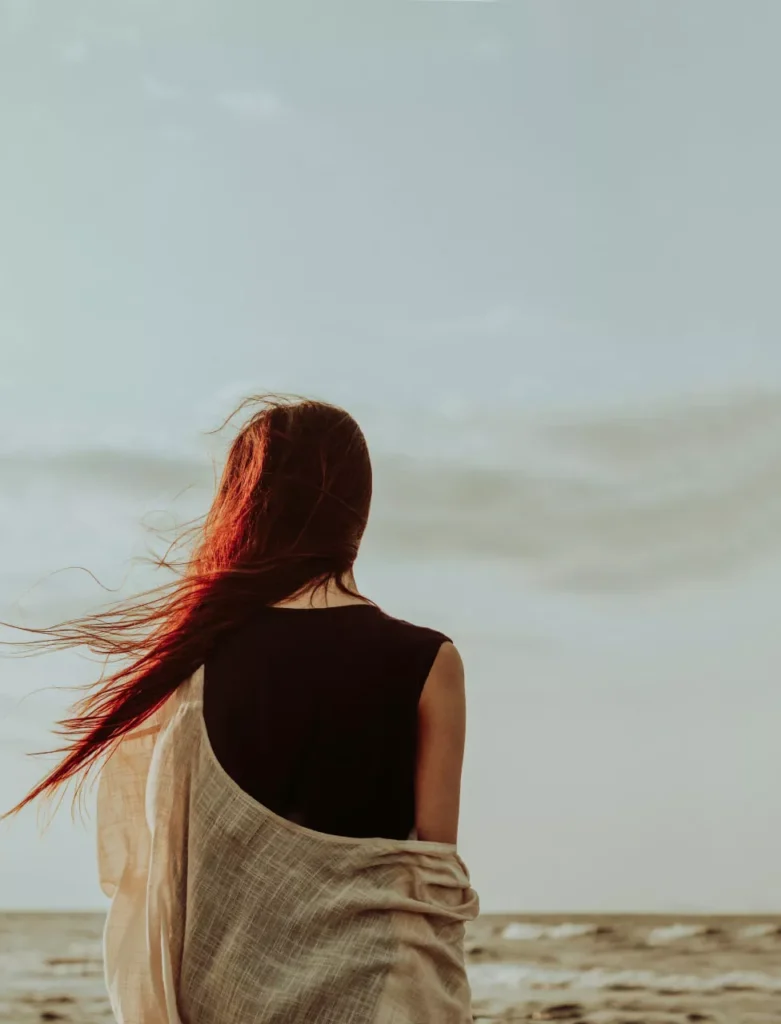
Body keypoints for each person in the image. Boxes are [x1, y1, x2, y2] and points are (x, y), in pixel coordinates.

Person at [2, 394, 480, 1023]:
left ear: (247, 506)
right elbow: (430, 881)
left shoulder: (192, 667)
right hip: (383, 1004)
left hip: (223, 1005)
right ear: (359, 513)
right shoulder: (430, 661)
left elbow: (164, 886)